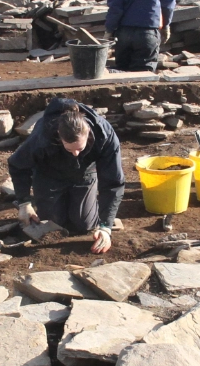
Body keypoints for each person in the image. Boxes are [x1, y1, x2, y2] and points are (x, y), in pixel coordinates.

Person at [9, 97, 125, 255]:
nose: (76, 154)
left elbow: (113, 182)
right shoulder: (42, 138)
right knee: (54, 223)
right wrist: (24, 203)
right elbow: (17, 165)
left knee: (83, 225)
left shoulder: (104, 135)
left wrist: (106, 226)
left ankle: (86, 205)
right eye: (70, 149)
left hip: (84, 173)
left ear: (88, 134)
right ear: (59, 135)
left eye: (80, 148)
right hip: (48, 174)